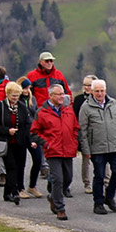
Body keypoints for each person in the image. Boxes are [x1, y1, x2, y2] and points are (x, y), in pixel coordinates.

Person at [78, 79, 116, 214]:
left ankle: (109, 196)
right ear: (92, 92)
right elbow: (83, 130)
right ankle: (98, 203)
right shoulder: (86, 107)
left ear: (106, 90)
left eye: (102, 91)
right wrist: (86, 149)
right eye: (97, 91)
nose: (100, 94)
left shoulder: (113, 103)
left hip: (115, 146)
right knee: (99, 176)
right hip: (97, 148)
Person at [33, 85, 79, 219]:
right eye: (58, 94)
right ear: (51, 96)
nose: (61, 97)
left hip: (68, 149)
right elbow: (34, 132)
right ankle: (60, 208)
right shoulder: (41, 112)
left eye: (62, 94)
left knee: (68, 178)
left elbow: (76, 128)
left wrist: (74, 140)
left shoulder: (68, 110)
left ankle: (53, 196)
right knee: (57, 179)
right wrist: (47, 144)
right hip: (53, 151)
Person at [0, 80, 34, 201]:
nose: (15, 98)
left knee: (20, 166)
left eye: (17, 95)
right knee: (11, 167)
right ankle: (15, 192)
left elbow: (26, 124)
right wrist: (7, 131)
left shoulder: (21, 106)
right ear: (7, 94)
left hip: (20, 142)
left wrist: (30, 139)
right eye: (13, 95)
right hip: (6, 142)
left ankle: (6, 193)